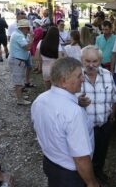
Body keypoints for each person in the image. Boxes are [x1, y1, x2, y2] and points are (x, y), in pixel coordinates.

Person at [31, 57, 100, 187]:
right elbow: (80, 158)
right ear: (63, 81)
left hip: (50, 163)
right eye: (79, 76)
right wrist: (92, 183)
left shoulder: (39, 100)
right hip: (70, 175)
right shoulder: (73, 112)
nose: (83, 79)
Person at [77, 45, 116, 184]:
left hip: (105, 124)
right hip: (85, 127)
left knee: (102, 151)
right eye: (87, 61)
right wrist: (77, 101)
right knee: (86, 155)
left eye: (94, 61)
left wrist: (112, 117)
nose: (91, 65)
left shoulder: (107, 75)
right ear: (82, 60)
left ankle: (98, 172)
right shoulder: (76, 76)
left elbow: (114, 98)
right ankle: (86, 178)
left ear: (100, 60)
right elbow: (65, 102)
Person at [8, 19, 34, 105]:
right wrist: (32, 39)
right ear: (24, 28)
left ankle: (21, 96)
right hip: (17, 61)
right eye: (28, 28)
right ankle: (20, 100)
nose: (29, 30)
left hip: (18, 60)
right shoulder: (19, 36)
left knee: (19, 80)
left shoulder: (18, 34)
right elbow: (27, 47)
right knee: (18, 82)